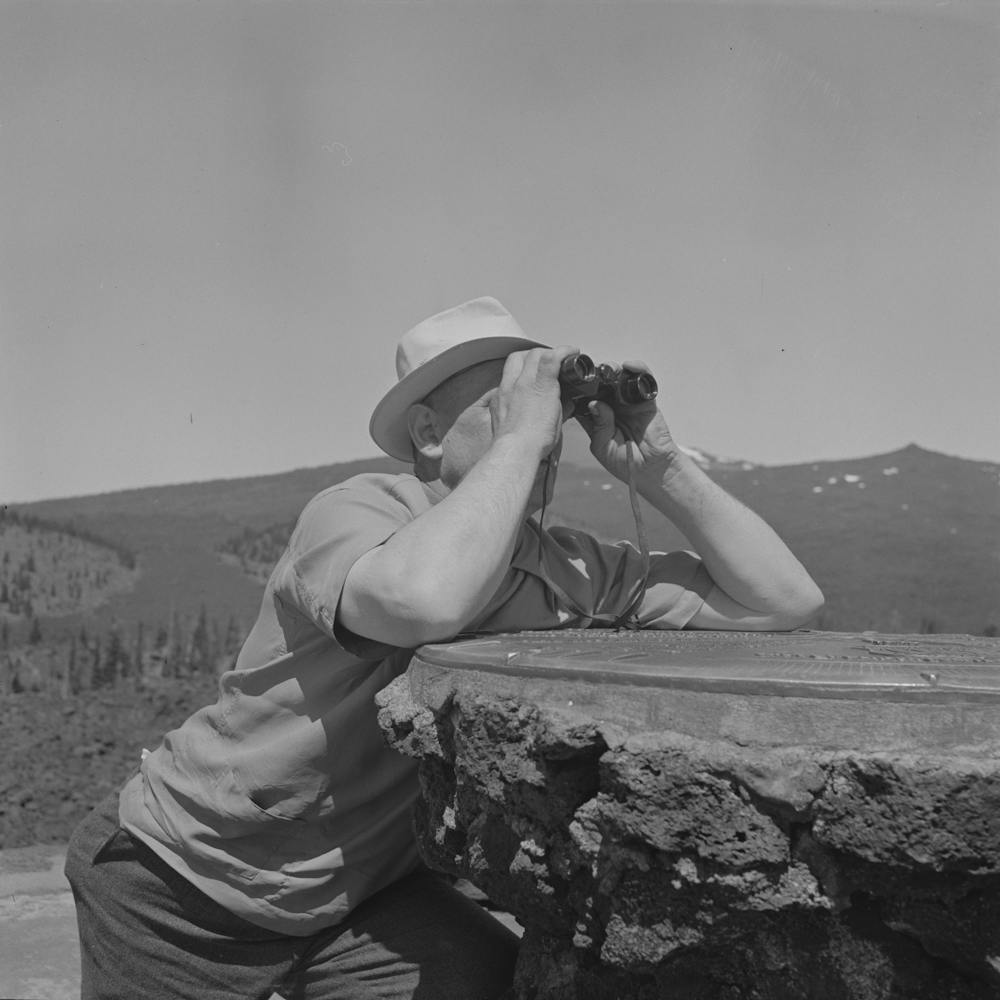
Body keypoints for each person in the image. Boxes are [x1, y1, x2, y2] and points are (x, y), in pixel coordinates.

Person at [65, 296, 823, 1000]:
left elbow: (784, 602)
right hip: (180, 881)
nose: (546, 432)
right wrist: (523, 435)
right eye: (505, 407)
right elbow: (424, 598)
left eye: (549, 412)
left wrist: (661, 468)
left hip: (356, 899)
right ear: (427, 434)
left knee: (486, 979)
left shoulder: (563, 565)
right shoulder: (357, 511)